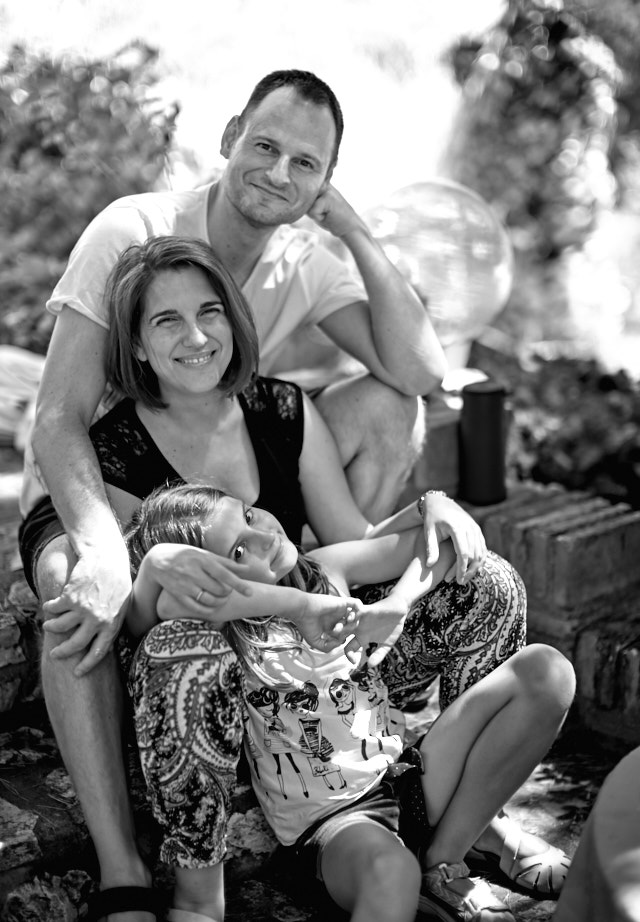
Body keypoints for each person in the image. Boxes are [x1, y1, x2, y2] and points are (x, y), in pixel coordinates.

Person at [21, 234, 557, 921]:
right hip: (221, 686)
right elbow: (149, 602)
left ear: (233, 319)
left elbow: (350, 541)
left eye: (209, 311)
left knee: (491, 579)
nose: (195, 336)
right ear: (136, 348)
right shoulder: (118, 453)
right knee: (183, 643)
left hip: (323, 669)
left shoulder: (279, 408)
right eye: (165, 321)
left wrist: (432, 512)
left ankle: (465, 819)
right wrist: (295, 604)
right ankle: (195, 892)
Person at [122, 482, 576, 922]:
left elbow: (438, 543)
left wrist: (399, 600)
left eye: (248, 514)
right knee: (390, 872)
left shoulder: (324, 569)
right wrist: (300, 607)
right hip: (339, 824)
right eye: (239, 552)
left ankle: (444, 860)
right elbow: (162, 607)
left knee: (547, 672)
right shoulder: (228, 634)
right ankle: (412, 874)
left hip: (409, 777)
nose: (265, 536)